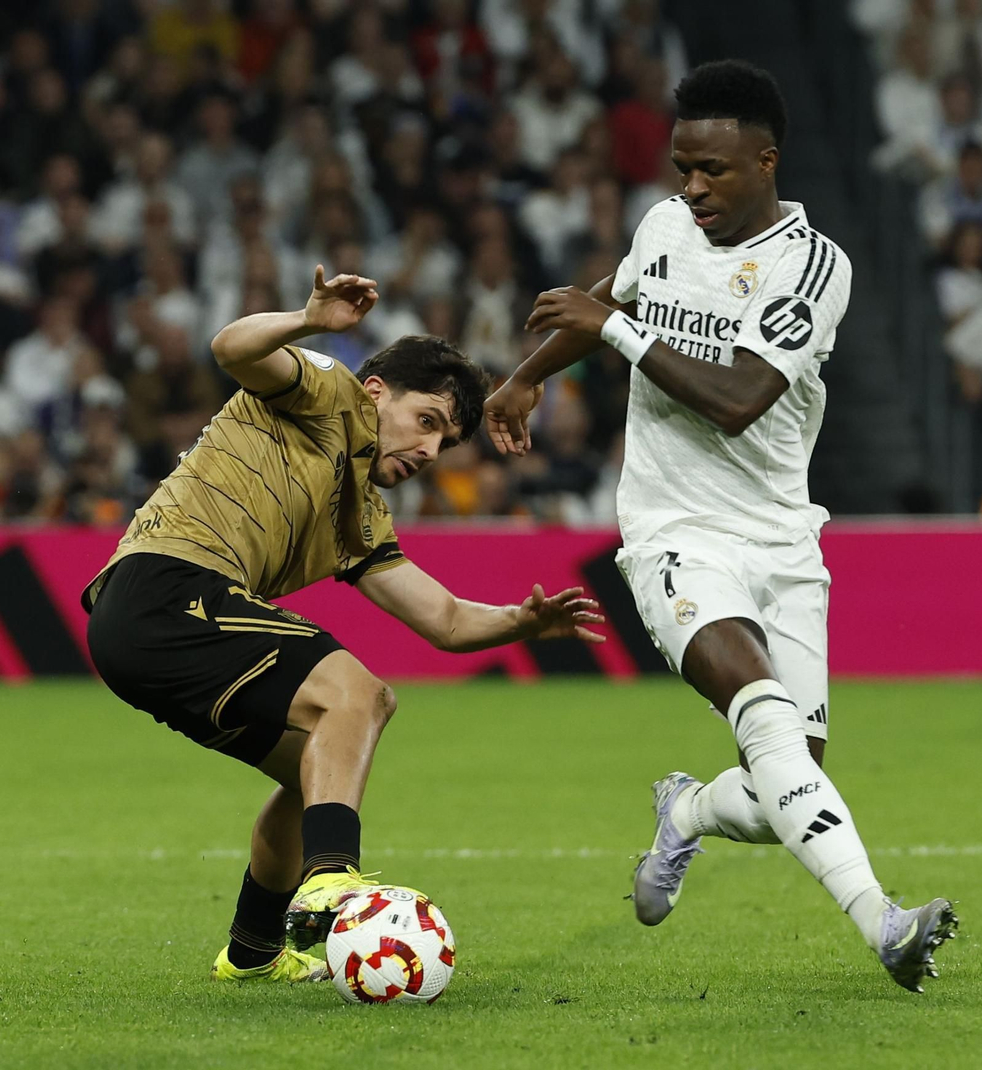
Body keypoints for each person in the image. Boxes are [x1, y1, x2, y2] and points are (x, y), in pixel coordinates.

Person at [482, 60, 956, 993]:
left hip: (780, 538)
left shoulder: (812, 266)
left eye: (712, 170)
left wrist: (610, 332)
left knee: (788, 784)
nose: (692, 188)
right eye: (683, 169)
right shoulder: (664, 226)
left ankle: (688, 811)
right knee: (768, 723)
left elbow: (738, 400)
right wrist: (529, 376)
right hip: (674, 532)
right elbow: (616, 299)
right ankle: (886, 923)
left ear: (766, 162)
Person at [82, 266, 603, 985]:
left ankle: (252, 952)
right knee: (361, 696)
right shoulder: (332, 391)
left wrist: (521, 621)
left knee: (319, 770)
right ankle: (331, 881)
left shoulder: (361, 514)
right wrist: (308, 321)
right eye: (427, 421)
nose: (429, 451)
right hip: (166, 587)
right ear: (378, 392)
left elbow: (445, 621)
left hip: (148, 629)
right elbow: (231, 348)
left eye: (446, 442)